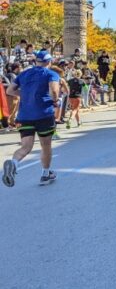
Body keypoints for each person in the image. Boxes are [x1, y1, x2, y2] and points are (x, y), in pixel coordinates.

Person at [3, 51, 61, 187]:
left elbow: (9, 90)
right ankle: (45, 174)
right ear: (49, 62)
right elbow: (54, 91)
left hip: (24, 116)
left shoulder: (24, 74)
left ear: (36, 61)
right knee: (45, 145)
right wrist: (55, 100)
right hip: (44, 114)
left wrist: (25, 95)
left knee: (25, 147)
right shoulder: (51, 74)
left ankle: (14, 163)